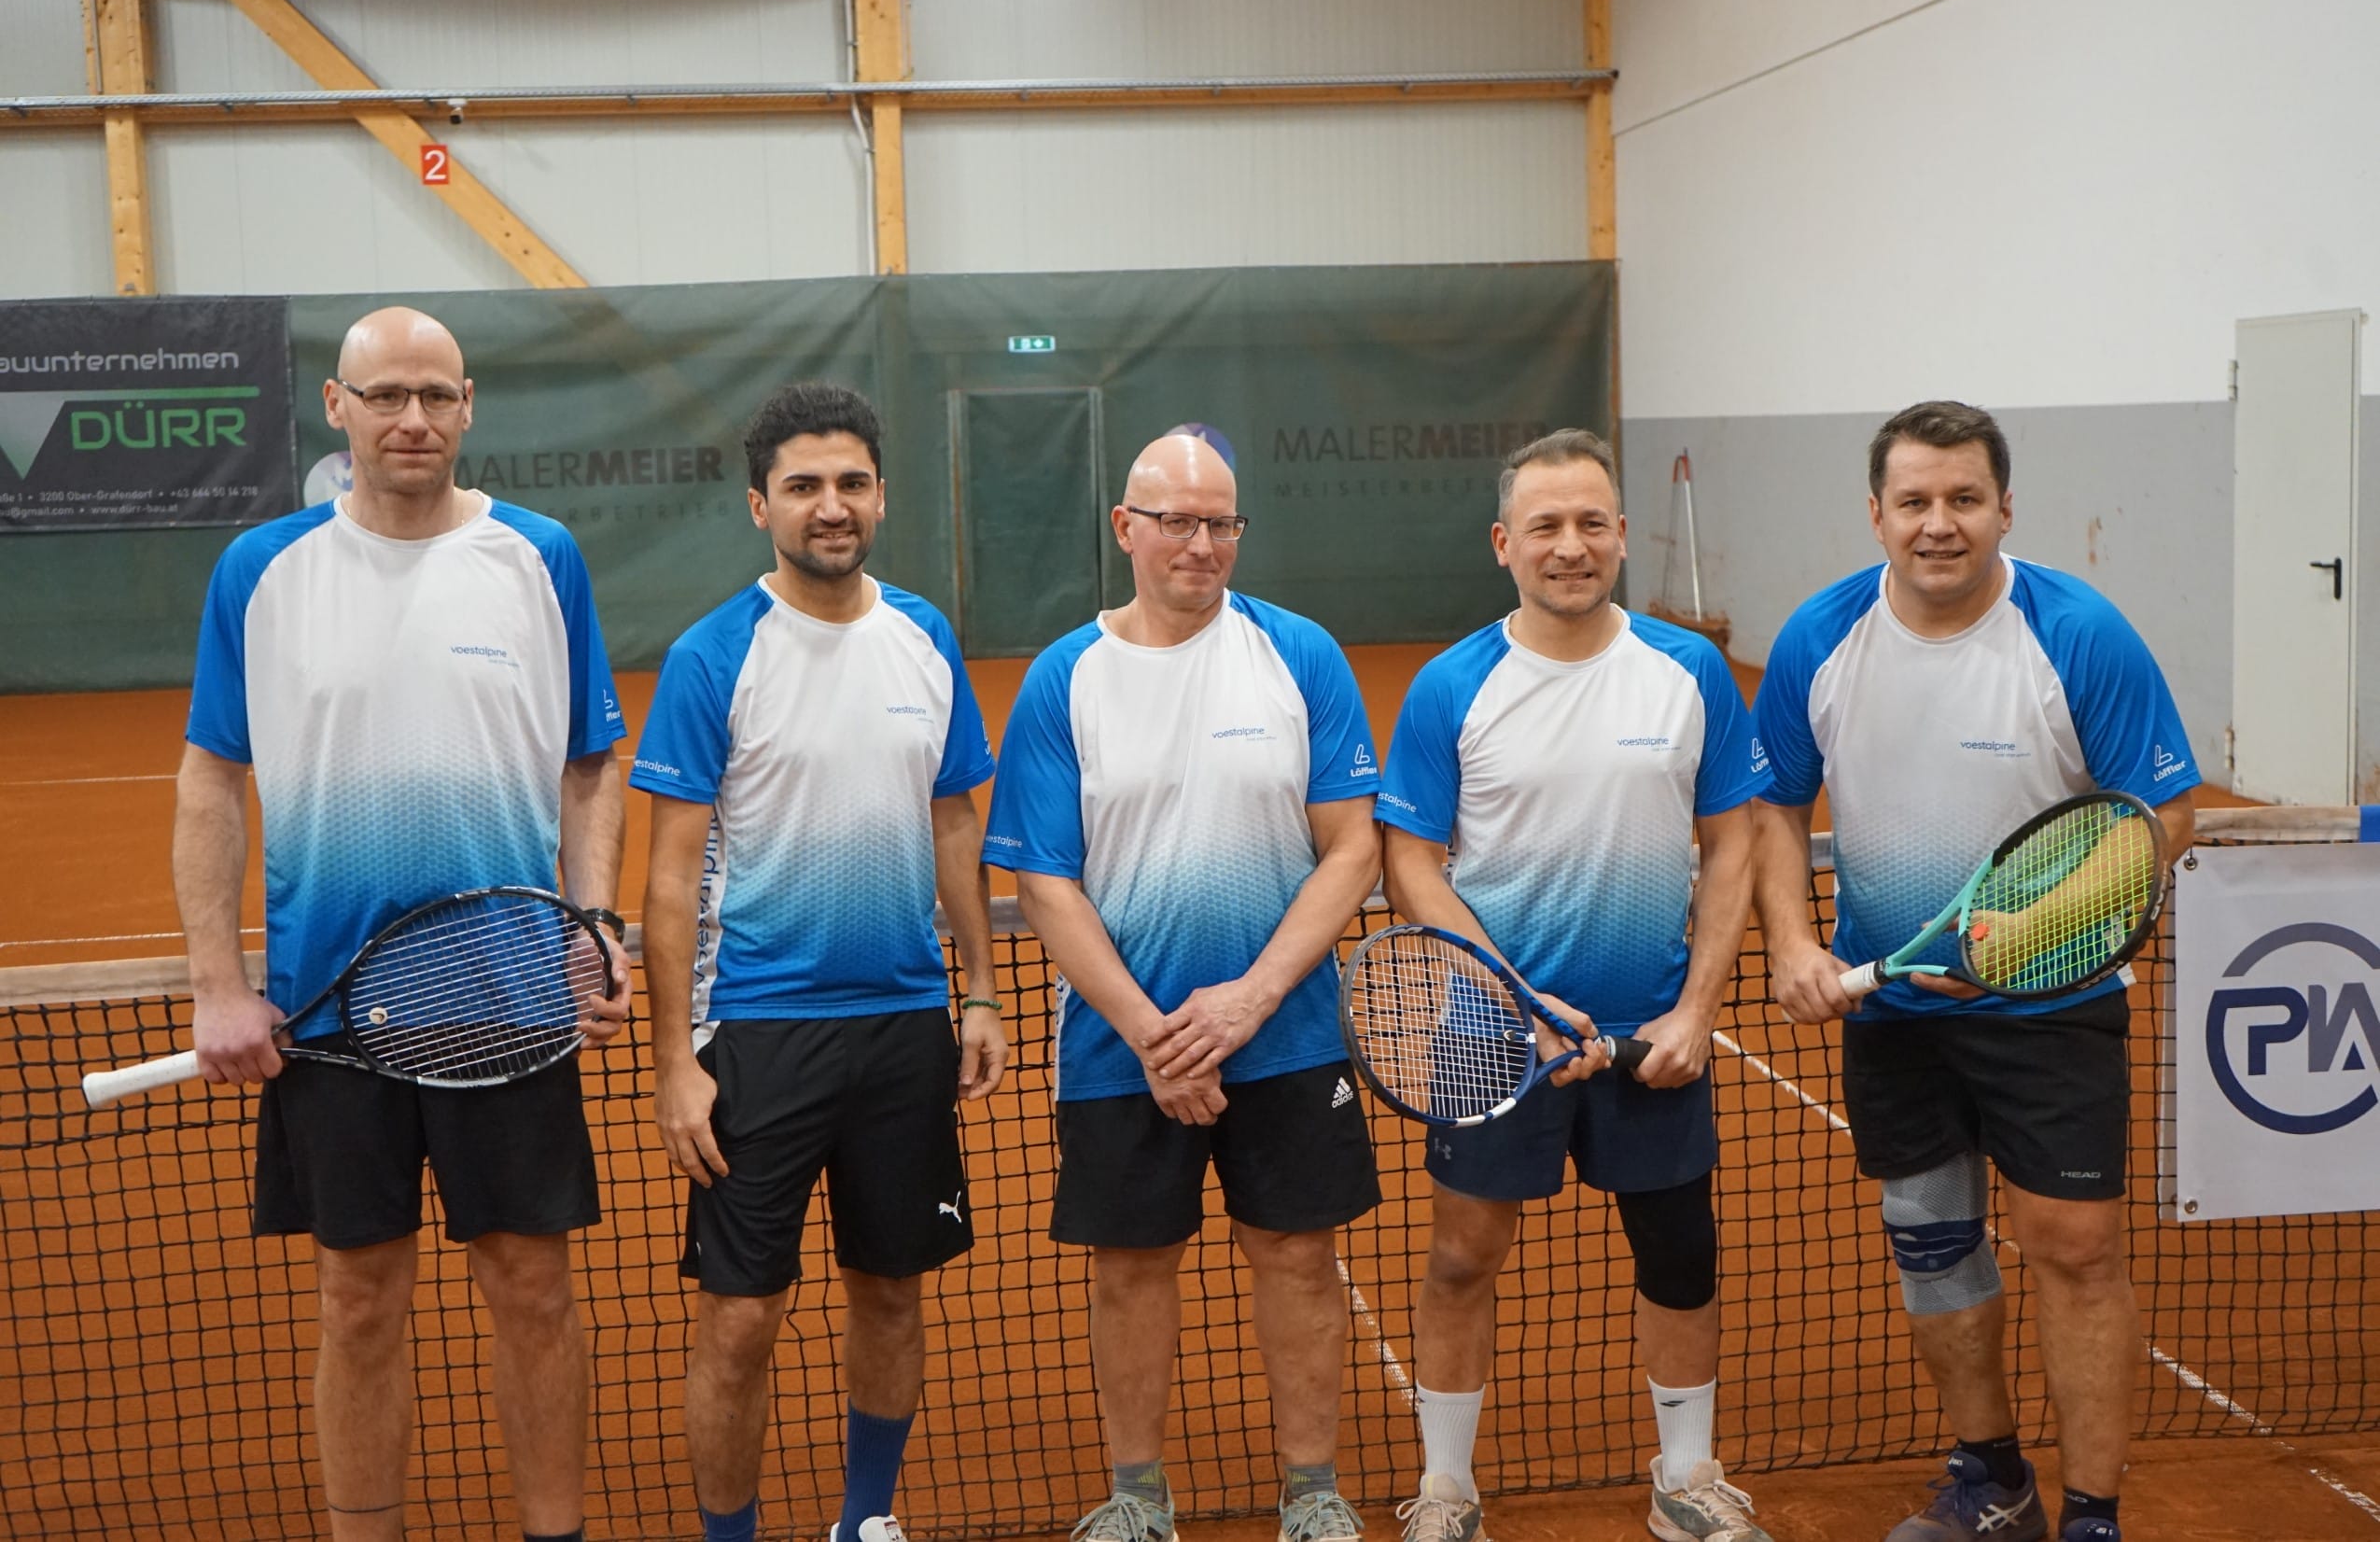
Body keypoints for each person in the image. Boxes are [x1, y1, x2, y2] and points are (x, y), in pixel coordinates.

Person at [179, 305, 633, 1542]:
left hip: (509, 1000)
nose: (413, 418)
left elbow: (593, 761)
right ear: (338, 407)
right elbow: (212, 780)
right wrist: (219, 982)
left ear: (469, 405)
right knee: (358, 1298)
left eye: (436, 394)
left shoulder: (539, 557)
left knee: (532, 1287)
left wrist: (594, 920)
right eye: (385, 395)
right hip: (329, 1015)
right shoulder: (261, 572)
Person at [1750, 400, 2197, 1542]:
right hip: (1895, 1009)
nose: (1938, 523)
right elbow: (1774, 807)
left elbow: (2160, 817)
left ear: (2005, 508)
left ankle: (2092, 1513)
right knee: (1932, 1236)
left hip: (2053, 1006)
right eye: (1914, 501)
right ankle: (1992, 1477)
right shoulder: (1818, 638)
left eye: (1963, 498)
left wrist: (2028, 935)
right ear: (1877, 514)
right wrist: (1795, 942)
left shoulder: (2079, 631)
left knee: (2076, 1246)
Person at [1377, 428, 1774, 1542]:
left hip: (1654, 1030)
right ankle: (1446, 1488)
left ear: (1622, 536)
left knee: (1680, 1252)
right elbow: (1411, 858)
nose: (1570, 545)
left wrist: (1695, 1012)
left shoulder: (1688, 670)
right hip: (1490, 1033)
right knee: (1463, 1254)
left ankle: (1686, 1477)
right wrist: (1515, 996)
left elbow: (1732, 841)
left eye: (1591, 522)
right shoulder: (1453, 685)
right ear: (1504, 543)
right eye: (1544, 525)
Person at [986, 432, 1382, 1542]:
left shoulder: (1299, 654)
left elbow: (1353, 846)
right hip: (1121, 1046)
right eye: (1176, 521)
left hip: (1288, 1035)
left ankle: (1313, 1489)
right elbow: (1044, 880)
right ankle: (1137, 1493)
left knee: (1298, 1256)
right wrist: (1156, 1034)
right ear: (1127, 526)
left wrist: (1249, 999)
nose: (1201, 543)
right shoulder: (1066, 677)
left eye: (1221, 522)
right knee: (1131, 1267)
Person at [634, 382, 1007, 1542]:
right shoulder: (713, 656)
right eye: (803, 485)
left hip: (904, 1026)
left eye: (850, 482)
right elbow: (667, 878)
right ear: (761, 505)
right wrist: (674, 1063)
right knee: (742, 1318)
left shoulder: (925, 637)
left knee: (891, 1291)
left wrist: (980, 990)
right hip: (757, 1031)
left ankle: (866, 1520)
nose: (830, 505)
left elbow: (955, 821)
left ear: (881, 495)